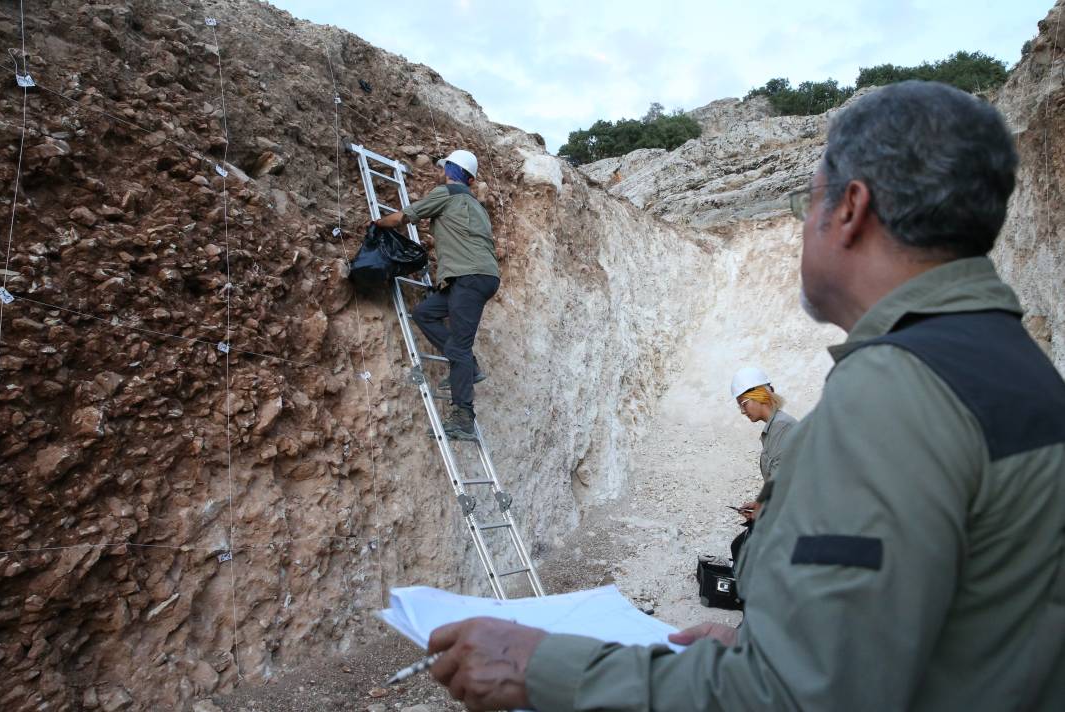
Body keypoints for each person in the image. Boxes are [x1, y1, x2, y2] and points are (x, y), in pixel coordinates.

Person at [422, 81, 1065, 711]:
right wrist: (756, 642)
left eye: (803, 202)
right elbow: (947, 639)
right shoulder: (1018, 373)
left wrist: (545, 667)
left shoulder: (895, 397)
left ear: (850, 209)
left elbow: (798, 698)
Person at [373, 149, 500, 441]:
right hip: (473, 278)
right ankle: (472, 367)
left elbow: (404, 217)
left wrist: (376, 224)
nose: (439, 172)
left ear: (452, 170)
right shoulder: (477, 206)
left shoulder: (446, 193)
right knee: (424, 313)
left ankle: (463, 417)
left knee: (459, 348)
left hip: (469, 278)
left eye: (444, 168)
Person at [731, 366, 797, 518]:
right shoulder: (774, 428)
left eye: (744, 403)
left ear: (759, 396)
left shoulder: (782, 427)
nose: (742, 411)